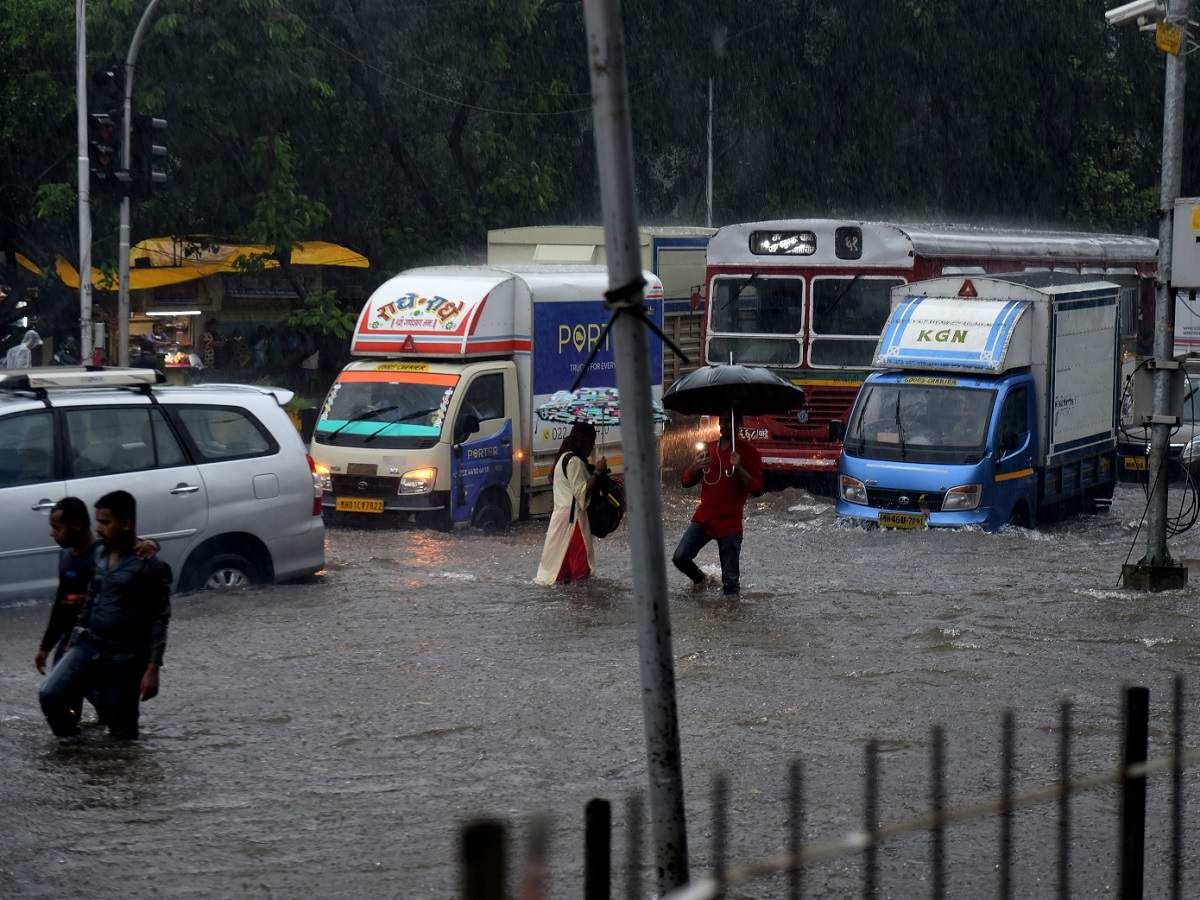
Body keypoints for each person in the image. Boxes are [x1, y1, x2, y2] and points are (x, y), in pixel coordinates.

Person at [38, 491, 172, 741]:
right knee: (50, 693)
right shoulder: (98, 555)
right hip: (88, 645)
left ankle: (120, 771)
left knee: (122, 732)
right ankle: (73, 748)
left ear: (125, 523)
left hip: (125, 656)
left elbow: (160, 619)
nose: (98, 528)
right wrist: (64, 644)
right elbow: (88, 600)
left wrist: (153, 668)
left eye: (105, 522)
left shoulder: (149, 565)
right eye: (98, 521)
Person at [672, 413, 764, 596]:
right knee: (680, 557)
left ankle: (731, 619)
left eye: (728, 421)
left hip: (730, 524)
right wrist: (695, 467)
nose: (723, 425)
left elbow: (758, 489)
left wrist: (739, 469)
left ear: (738, 424)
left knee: (730, 583)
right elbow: (686, 481)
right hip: (704, 518)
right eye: (721, 421)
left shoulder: (749, 453)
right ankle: (702, 580)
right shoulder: (708, 448)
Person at [535, 423, 609, 585]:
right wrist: (597, 472)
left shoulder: (563, 458)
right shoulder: (574, 461)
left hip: (559, 521)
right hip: (573, 521)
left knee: (560, 574)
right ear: (583, 441)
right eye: (591, 442)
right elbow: (581, 493)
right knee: (581, 575)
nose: (592, 447)